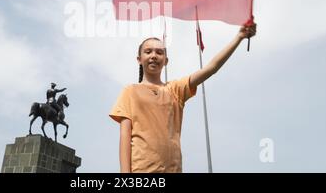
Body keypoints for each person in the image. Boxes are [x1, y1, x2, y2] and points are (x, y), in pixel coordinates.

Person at [109, 22, 257, 173]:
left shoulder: (175, 90)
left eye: (159, 52)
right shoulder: (130, 91)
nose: (154, 55)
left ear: (166, 61)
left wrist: (239, 37)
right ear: (139, 59)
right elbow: (125, 136)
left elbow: (211, 68)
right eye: (148, 52)